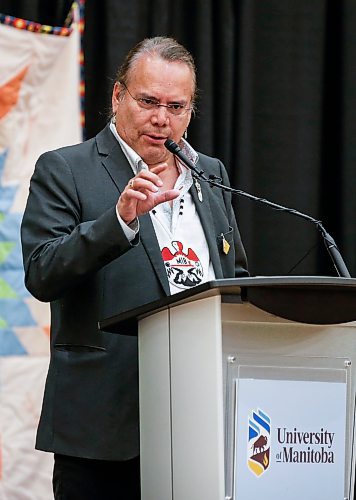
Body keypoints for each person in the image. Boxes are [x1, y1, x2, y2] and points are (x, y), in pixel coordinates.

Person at [21, 36, 248, 499]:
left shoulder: (209, 173)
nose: (161, 118)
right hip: (104, 427)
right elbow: (42, 272)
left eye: (176, 106)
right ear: (118, 96)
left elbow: (233, 277)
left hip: (198, 422)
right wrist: (120, 222)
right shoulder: (66, 169)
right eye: (148, 101)